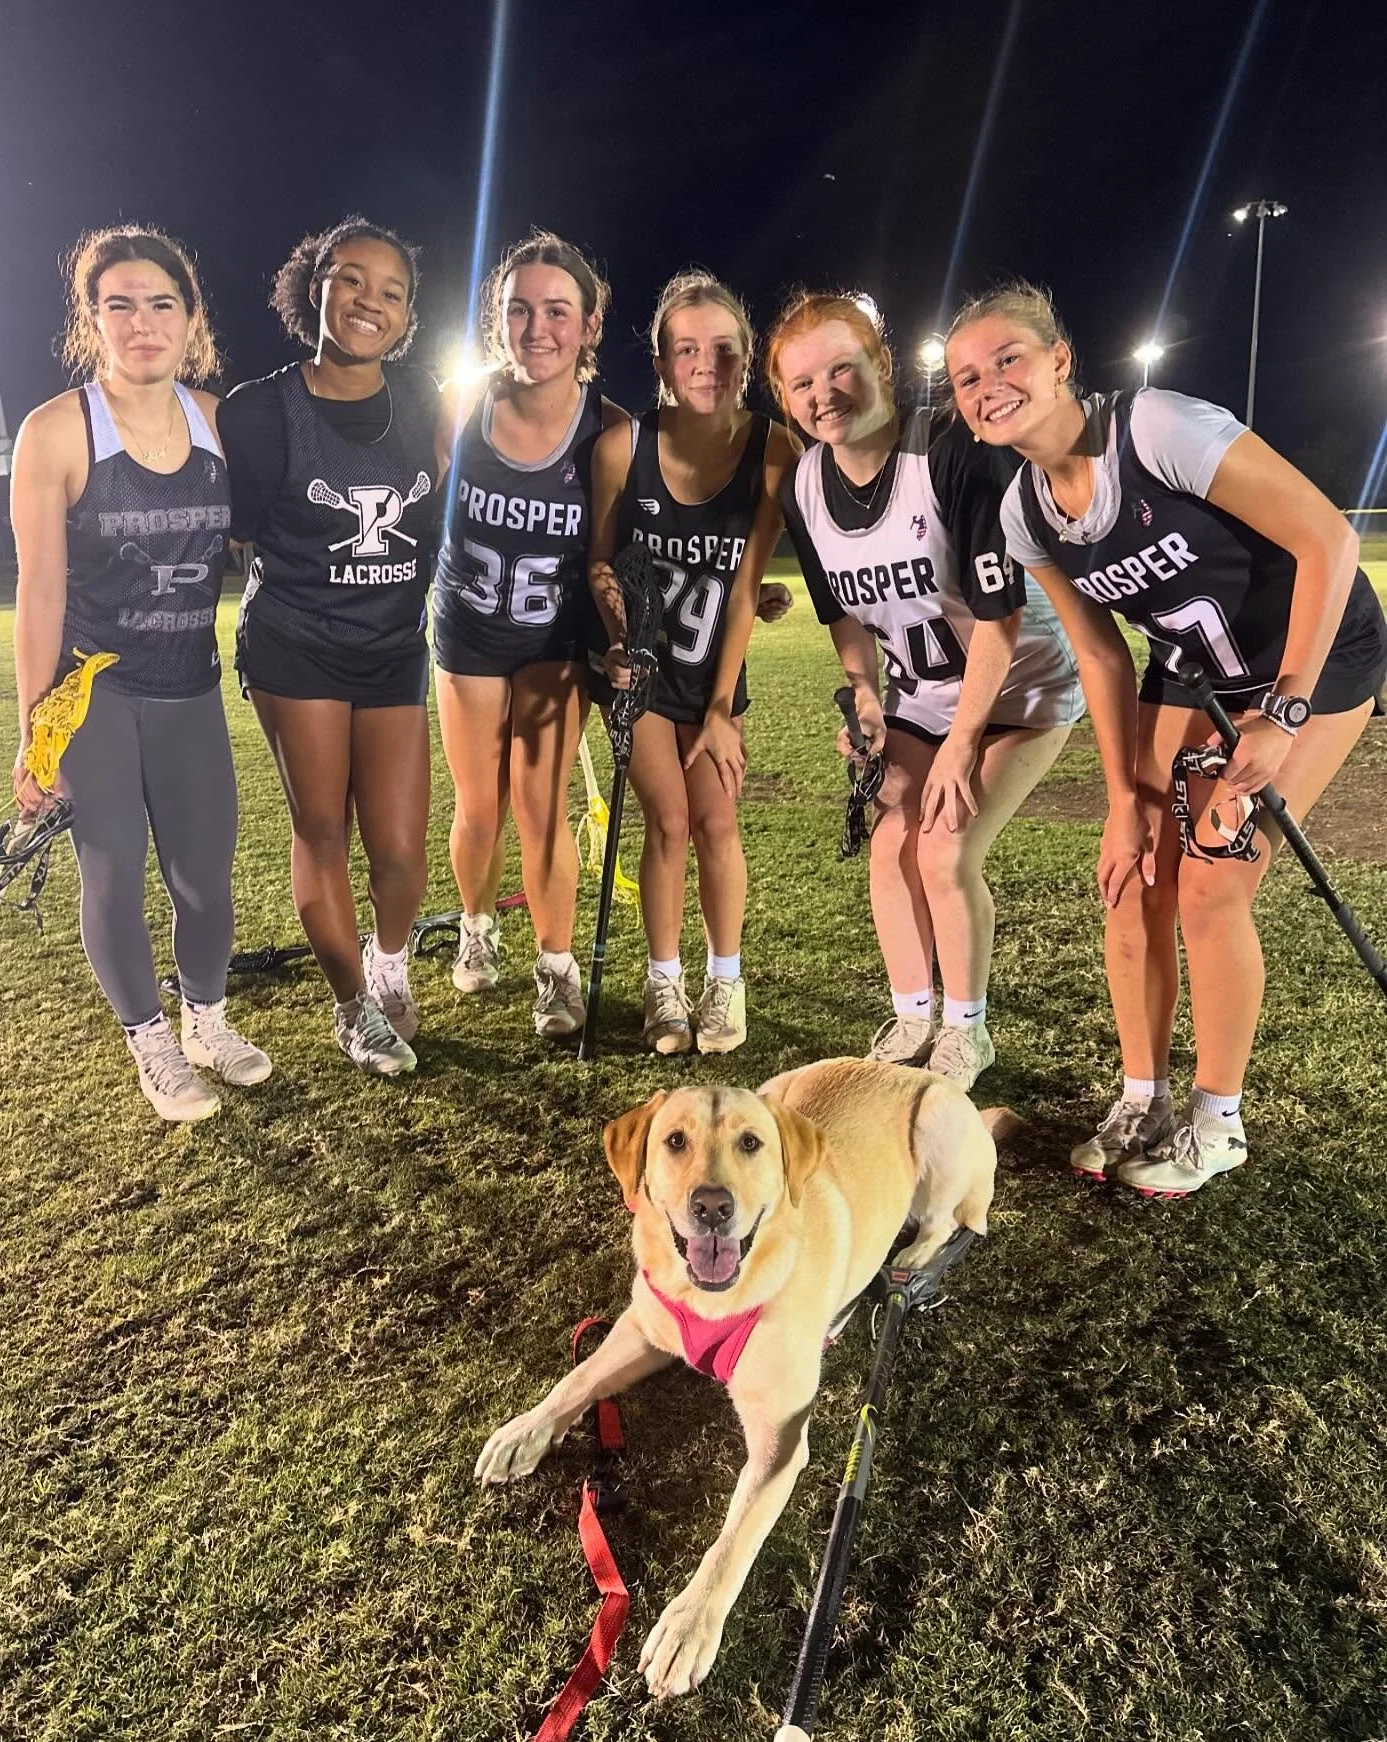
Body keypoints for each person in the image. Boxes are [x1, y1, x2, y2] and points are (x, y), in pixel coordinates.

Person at [944, 281, 1387, 1187]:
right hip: (1197, 673)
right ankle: (1142, 1097)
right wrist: (1123, 801)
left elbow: (1329, 542)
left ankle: (1217, 1121)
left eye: (1008, 360)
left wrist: (1285, 711)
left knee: (1212, 886)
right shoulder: (1025, 512)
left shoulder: (1155, 429)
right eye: (966, 379)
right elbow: (1101, 657)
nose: (989, 387)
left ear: (1060, 361)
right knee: (1132, 871)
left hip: (1315, 656)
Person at [767, 291, 1082, 1090]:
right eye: (802, 383)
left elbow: (999, 624)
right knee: (889, 844)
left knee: (943, 848)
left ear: (882, 363)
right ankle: (912, 1016)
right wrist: (864, 695)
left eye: (841, 368)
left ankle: (967, 1030)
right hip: (923, 693)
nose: (824, 394)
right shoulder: (804, 486)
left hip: (1017, 686)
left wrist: (962, 744)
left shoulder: (949, 453)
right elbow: (843, 614)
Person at [10, 226, 270, 1123]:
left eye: (161, 303)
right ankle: (150, 1038)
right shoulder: (56, 430)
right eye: (118, 304)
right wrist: (33, 730)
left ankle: (206, 1021)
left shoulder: (220, 423)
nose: (142, 322)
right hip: (96, 694)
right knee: (114, 872)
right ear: (92, 319)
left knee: (205, 880)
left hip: (191, 685)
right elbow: (40, 589)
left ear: (191, 317)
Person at [217, 217, 443, 1078]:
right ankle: (354, 1007)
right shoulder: (258, 410)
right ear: (315, 285)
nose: (367, 301)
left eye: (391, 291)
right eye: (350, 279)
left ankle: (387, 960)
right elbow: (233, 532)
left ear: (408, 316)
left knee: (401, 849)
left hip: (393, 644)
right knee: (322, 828)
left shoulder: (425, 399)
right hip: (297, 642)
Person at [589, 271, 795, 1055]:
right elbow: (600, 561)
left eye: (725, 348)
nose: (708, 364)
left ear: (748, 356)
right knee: (668, 822)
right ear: (662, 364)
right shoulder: (622, 447)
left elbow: (744, 586)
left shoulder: (773, 448)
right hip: (641, 670)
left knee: (716, 822)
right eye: (688, 350)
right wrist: (617, 634)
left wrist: (719, 708)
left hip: (715, 672)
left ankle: (725, 980)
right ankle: (664, 982)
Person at [432, 230, 623, 1040]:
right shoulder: (460, 403)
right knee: (480, 806)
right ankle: (477, 925)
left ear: (589, 324)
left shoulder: (609, 429)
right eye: (519, 309)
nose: (536, 328)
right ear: (497, 318)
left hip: (554, 642)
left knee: (542, 807)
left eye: (556, 311)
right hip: (468, 632)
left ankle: (557, 967)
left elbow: (629, 549)